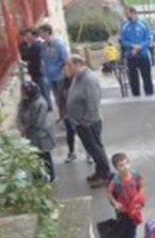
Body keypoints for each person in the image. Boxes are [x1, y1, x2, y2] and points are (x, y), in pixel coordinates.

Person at [66, 55, 111, 188]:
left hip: (88, 123)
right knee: (91, 148)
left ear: (78, 64)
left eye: (70, 65)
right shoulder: (77, 77)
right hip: (80, 122)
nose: (68, 68)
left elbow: (93, 103)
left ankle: (105, 175)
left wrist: (86, 121)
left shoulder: (89, 80)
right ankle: (99, 171)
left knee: (96, 148)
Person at [107, 153, 146, 238]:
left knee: (132, 229)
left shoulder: (135, 174)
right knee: (130, 231)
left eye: (126, 163)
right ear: (116, 168)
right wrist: (115, 203)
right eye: (121, 165)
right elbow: (109, 192)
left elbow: (141, 185)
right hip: (123, 211)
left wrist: (140, 199)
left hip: (134, 209)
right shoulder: (116, 181)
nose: (125, 167)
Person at [17, 81, 56, 183]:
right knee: (34, 157)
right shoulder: (23, 103)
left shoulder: (41, 103)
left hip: (41, 135)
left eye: (23, 92)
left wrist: (27, 127)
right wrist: (21, 126)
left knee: (44, 156)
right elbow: (19, 116)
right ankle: (37, 177)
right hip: (30, 135)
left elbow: (39, 121)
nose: (21, 94)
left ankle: (50, 177)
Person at [120, 6, 154, 96]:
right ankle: (136, 95)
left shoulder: (143, 23)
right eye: (125, 14)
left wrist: (140, 46)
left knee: (146, 76)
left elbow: (148, 38)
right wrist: (132, 46)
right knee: (133, 77)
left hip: (143, 54)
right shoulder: (124, 25)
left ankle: (149, 93)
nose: (126, 15)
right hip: (131, 55)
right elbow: (122, 40)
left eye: (127, 13)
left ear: (133, 13)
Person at [38, 24, 69, 119]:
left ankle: (66, 117)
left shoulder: (58, 44)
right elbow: (43, 59)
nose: (40, 35)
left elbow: (65, 59)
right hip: (49, 76)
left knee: (61, 97)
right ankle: (62, 116)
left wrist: (60, 69)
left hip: (59, 75)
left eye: (41, 32)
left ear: (47, 32)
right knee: (57, 98)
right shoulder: (43, 45)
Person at [19, 28, 50, 110]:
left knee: (42, 87)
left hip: (38, 69)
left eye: (28, 36)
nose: (27, 38)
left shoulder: (37, 45)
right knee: (40, 87)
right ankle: (45, 105)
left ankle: (47, 105)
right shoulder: (24, 45)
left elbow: (31, 56)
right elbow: (24, 57)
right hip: (33, 70)